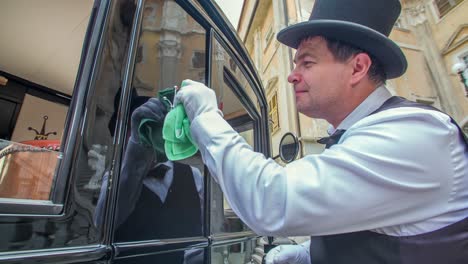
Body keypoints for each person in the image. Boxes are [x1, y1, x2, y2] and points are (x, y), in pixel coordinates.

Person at [171, 0, 468, 263]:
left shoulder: (414, 134)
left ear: (357, 68)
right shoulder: (362, 134)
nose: (291, 75)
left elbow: (271, 202)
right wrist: (310, 254)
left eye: (307, 62)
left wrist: (206, 116)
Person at [95, 95, 204, 264]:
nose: (149, 135)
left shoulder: (194, 175)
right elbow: (101, 227)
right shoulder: (112, 178)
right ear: (125, 138)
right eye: (139, 129)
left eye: (155, 127)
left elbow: (204, 232)